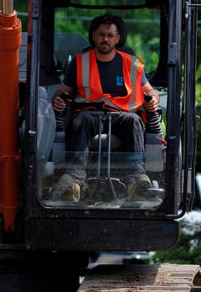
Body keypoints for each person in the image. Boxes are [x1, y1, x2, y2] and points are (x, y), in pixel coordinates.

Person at [51, 14, 160, 201]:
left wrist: (154, 100)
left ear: (118, 39)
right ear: (94, 36)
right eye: (101, 35)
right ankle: (73, 181)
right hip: (89, 115)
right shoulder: (80, 62)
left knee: (134, 120)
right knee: (80, 121)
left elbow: (151, 92)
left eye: (110, 35)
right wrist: (58, 100)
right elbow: (61, 92)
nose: (105, 39)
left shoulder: (131, 64)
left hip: (121, 116)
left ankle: (136, 181)